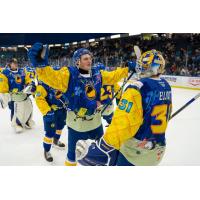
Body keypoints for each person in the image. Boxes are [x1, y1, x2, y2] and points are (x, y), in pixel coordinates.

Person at [28, 43, 135, 166]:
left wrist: (126, 70)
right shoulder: (69, 74)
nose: (89, 60)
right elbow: (52, 77)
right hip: (76, 125)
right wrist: (41, 66)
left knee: (101, 153)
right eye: (85, 58)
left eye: (90, 58)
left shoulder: (98, 74)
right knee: (72, 156)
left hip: (96, 123)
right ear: (77, 61)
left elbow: (113, 76)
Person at [78, 49, 173, 166]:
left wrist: (104, 145)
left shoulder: (137, 88)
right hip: (157, 150)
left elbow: (123, 123)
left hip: (136, 151)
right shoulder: (166, 86)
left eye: (142, 64)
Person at [35, 66, 68, 162]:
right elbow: (39, 98)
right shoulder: (44, 85)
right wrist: (47, 111)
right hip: (50, 112)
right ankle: (47, 150)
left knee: (60, 127)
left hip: (62, 110)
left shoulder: (63, 83)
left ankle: (56, 140)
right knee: (50, 132)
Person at [0, 58, 36, 133]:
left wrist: (30, 85)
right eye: (13, 63)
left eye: (16, 62)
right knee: (15, 110)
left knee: (28, 108)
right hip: (13, 96)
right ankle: (16, 124)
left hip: (23, 94)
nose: (15, 64)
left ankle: (27, 121)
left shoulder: (22, 71)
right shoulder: (5, 73)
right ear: (10, 64)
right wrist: (5, 95)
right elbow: (3, 85)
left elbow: (28, 79)